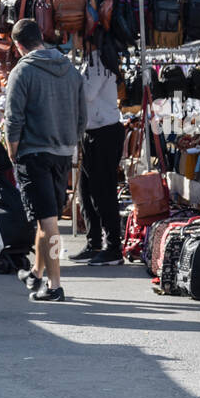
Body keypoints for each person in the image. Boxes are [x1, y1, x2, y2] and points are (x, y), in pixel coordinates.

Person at [3, 18, 87, 303]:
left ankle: (54, 285)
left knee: (48, 222)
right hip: (63, 151)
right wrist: (74, 141)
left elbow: (13, 118)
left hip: (34, 152)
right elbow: (82, 113)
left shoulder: (22, 71)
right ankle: (36, 274)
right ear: (41, 37)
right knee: (46, 219)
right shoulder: (69, 69)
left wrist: (12, 151)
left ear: (17, 45)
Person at [73, 49, 125, 266]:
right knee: (86, 192)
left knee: (102, 192)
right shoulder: (88, 58)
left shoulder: (101, 58)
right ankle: (94, 241)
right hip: (92, 130)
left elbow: (87, 93)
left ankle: (113, 247)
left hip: (105, 131)